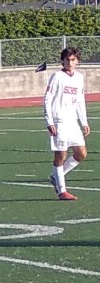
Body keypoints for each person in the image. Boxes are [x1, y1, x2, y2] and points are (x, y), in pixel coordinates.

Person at [44, 47, 89, 201]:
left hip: (73, 122)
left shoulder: (79, 78)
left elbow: (80, 101)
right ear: (62, 61)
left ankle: (57, 176)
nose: (70, 63)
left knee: (81, 153)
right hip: (59, 121)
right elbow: (47, 99)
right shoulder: (57, 77)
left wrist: (84, 121)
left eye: (73, 60)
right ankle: (61, 190)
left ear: (77, 61)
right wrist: (49, 121)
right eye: (67, 60)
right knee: (61, 154)